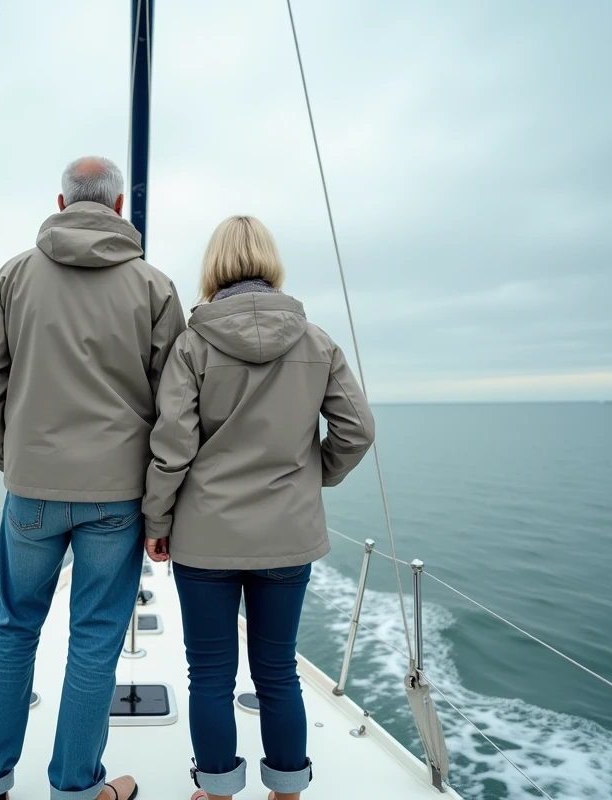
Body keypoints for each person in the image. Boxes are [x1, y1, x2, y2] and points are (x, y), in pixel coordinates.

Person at [0, 156, 185, 800]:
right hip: (116, 498)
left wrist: (10, 455)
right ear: (118, 207)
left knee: (13, 629)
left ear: (61, 202)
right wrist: (161, 499)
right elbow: (175, 405)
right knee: (95, 640)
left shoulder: (13, 276)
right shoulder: (154, 287)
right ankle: (75, 787)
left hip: (31, 488)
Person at [142, 215, 376, 800]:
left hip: (205, 539)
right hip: (287, 536)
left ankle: (218, 792)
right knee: (278, 672)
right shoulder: (316, 341)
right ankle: (288, 792)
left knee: (210, 676)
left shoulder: (192, 344)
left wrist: (157, 520)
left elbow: (173, 447)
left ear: (214, 265)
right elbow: (357, 430)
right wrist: (314, 475)